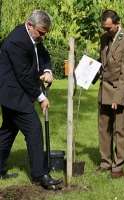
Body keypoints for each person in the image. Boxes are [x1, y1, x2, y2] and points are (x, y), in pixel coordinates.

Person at [0, 10, 62, 190]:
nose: (43, 36)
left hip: (13, 93)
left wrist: (48, 71)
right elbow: (24, 76)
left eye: (45, 32)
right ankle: (39, 175)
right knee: (34, 129)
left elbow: (44, 56)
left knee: (7, 133)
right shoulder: (17, 41)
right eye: (41, 32)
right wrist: (41, 98)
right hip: (14, 94)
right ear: (30, 26)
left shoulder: (33, 37)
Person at [94, 10, 124, 179]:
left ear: (118, 24)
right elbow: (102, 63)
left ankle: (117, 167)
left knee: (119, 130)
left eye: (109, 28)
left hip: (119, 91)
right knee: (103, 129)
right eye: (104, 27)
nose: (106, 31)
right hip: (104, 90)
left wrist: (119, 98)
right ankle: (105, 162)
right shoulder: (104, 38)